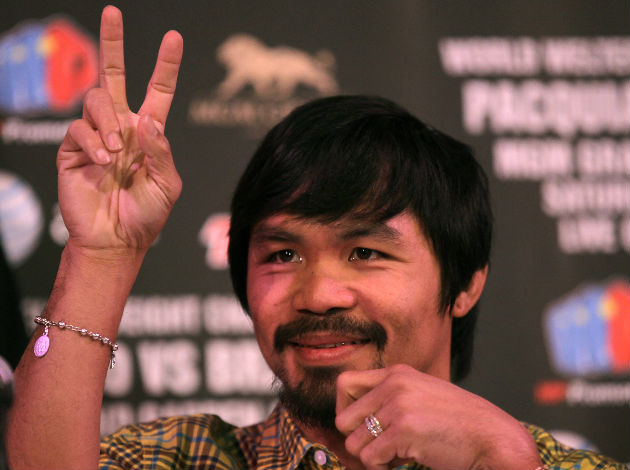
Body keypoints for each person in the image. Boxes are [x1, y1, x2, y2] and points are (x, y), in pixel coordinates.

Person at [5, 6, 625, 470]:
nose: (320, 294)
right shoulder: (177, 458)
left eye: (365, 252)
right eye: (283, 254)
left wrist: (502, 462)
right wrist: (101, 255)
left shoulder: (543, 464)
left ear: (464, 283)